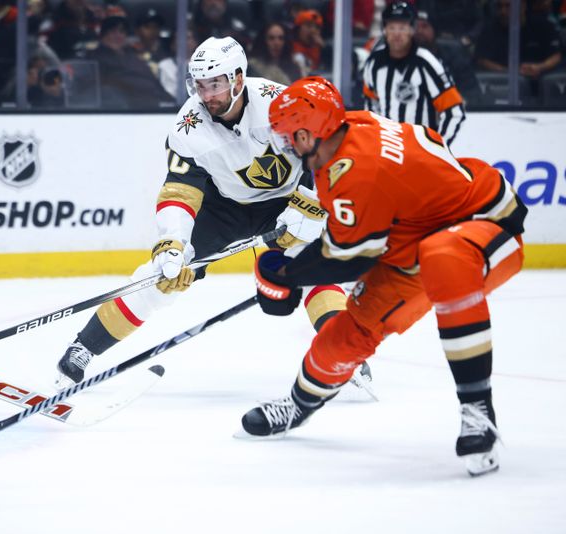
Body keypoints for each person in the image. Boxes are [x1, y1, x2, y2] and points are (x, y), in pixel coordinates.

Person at [242, 76, 527, 477]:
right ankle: (298, 406)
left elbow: (345, 261)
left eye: (290, 136)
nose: (285, 145)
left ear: (310, 133)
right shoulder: (348, 128)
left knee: (443, 256)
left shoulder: (357, 170)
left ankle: (478, 411)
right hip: (413, 242)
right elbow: (355, 225)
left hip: (485, 222)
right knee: (345, 336)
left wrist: (285, 275)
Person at [55, 36, 355, 391]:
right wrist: (172, 242)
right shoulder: (188, 126)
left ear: (238, 80)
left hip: (286, 201)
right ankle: (83, 348)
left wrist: (309, 203)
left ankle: (345, 354)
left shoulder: (279, 102)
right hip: (223, 207)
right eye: (200, 85)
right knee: (160, 277)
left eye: (214, 84)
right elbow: (180, 189)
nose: (206, 94)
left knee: (316, 264)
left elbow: (328, 150)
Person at [362, 1, 466, 146]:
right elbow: (371, 107)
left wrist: (438, 148)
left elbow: (454, 110)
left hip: (421, 155)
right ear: (384, 30)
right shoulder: (374, 63)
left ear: (412, 30)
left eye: (402, 28)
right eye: (392, 27)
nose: (397, 33)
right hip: (387, 154)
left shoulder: (427, 62)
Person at [86, 14, 173, 109]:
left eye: (122, 31)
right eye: (112, 31)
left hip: (157, 104)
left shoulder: (133, 54)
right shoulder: (96, 57)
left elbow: (152, 80)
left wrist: (170, 101)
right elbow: (111, 82)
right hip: (127, 110)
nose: (117, 35)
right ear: (103, 35)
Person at [475, 0, 562, 81]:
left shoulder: (543, 25)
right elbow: (482, 60)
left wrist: (540, 67)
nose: (503, 12)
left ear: (523, 6)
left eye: (508, 6)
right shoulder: (490, 29)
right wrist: (510, 72)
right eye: (499, 7)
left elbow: (556, 55)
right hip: (504, 84)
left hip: (541, 82)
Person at [414, 8, 482, 106]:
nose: (419, 31)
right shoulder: (402, 55)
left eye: (425, 26)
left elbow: (473, 93)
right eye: (415, 27)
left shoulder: (453, 54)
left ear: (435, 30)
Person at [292, 9, 325, 74]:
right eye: (308, 25)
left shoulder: (320, 49)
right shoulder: (289, 47)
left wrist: (324, 49)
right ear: (298, 29)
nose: (313, 30)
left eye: (317, 27)